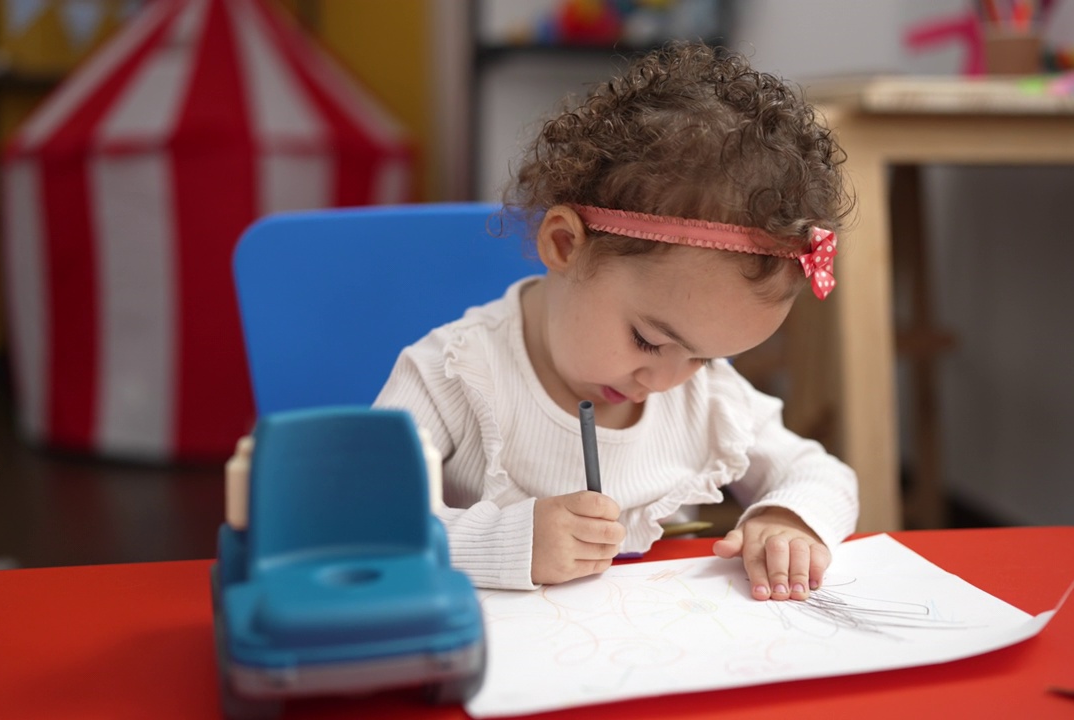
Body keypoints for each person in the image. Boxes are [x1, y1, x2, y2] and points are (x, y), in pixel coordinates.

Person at [228, 41, 858, 602]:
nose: (669, 379)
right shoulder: (453, 375)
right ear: (564, 246)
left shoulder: (706, 395)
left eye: (702, 356)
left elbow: (820, 472)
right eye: (650, 340)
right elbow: (358, 520)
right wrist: (509, 543)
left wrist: (791, 519)